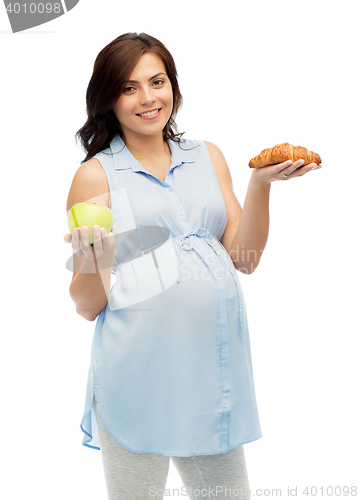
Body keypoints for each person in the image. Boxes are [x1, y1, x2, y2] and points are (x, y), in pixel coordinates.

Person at [64, 32, 320, 500]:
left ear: (173, 87)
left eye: (157, 82)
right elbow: (86, 305)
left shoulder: (207, 156)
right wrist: (95, 262)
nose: (147, 99)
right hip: (137, 378)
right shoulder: (94, 176)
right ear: (108, 100)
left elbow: (245, 258)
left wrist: (259, 183)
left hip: (209, 373)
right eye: (128, 87)